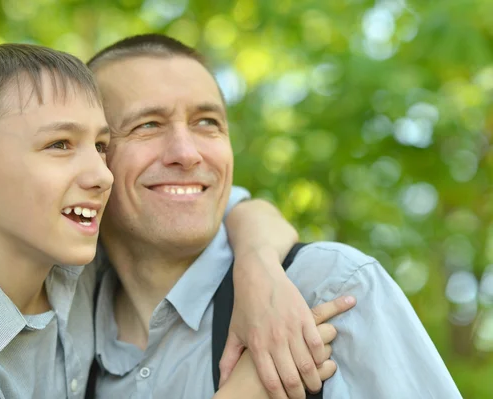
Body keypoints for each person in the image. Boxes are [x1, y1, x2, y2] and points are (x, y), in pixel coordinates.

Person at [0, 42, 341, 399]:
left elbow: (239, 208)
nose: (101, 176)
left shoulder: (66, 242)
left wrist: (258, 272)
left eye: (102, 146)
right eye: (60, 145)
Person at [84, 33, 463, 399]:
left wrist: (258, 261)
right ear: (92, 156)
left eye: (207, 123)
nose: (187, 153)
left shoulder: (324, 288)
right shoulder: (62, 329)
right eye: (147, 125)